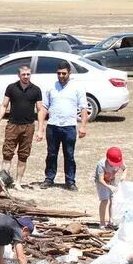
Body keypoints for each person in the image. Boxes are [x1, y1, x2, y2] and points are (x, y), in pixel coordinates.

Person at [38, 61, 88, 191]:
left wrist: (83, 126)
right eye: (59, 73)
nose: (61, 76)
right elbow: (44, 108)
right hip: (53, 126)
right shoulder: (51, 87)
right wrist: (40, 128)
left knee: (69, 155)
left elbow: (83, 108)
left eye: (64, 73)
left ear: (69, 73)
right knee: (51, 154)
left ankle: (70, 181)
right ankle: (49, 178)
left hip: (69, 127)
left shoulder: (77, 88)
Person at [0, 64, 43, 186]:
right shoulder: (11, 88)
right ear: (19, 75)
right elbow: (4, 106)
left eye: (28, 74)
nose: (26, 77)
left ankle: (18, 183)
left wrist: (41, 129)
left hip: (28, 126)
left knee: (23, 155)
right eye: (23, 74)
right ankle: (4, 182)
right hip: (13, 125)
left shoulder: (36, 90)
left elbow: (40, 110)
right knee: (7, 153)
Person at [93, 146, 126, 228]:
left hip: (112, 181)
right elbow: (101, 180)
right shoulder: (101, 164)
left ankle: (111, 220)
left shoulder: (119, 161)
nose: (115, 166)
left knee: (113, 200)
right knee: (105, 200)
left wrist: (124, 175)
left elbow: (125, 168)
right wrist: (109, 187)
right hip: (102, 183)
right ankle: (102, 222)